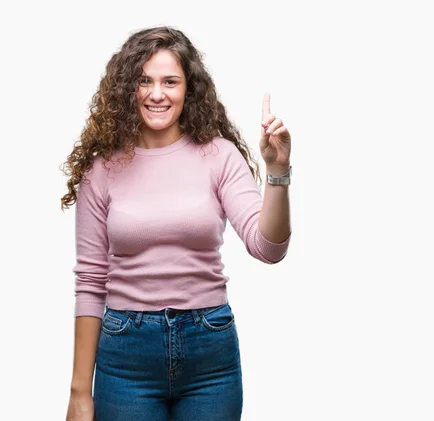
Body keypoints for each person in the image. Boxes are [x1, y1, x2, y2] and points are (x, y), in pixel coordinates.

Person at [60, 26, 292, 421]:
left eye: (170, 81)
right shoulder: (102, 171)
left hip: (209, 354)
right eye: (144, 81)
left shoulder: (219, 156)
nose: (156, 93)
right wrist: (80, 393)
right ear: (126, 88)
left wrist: (277, 171)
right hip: (124, 358)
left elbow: (268, 248)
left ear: (189, 89)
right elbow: (90, 281)